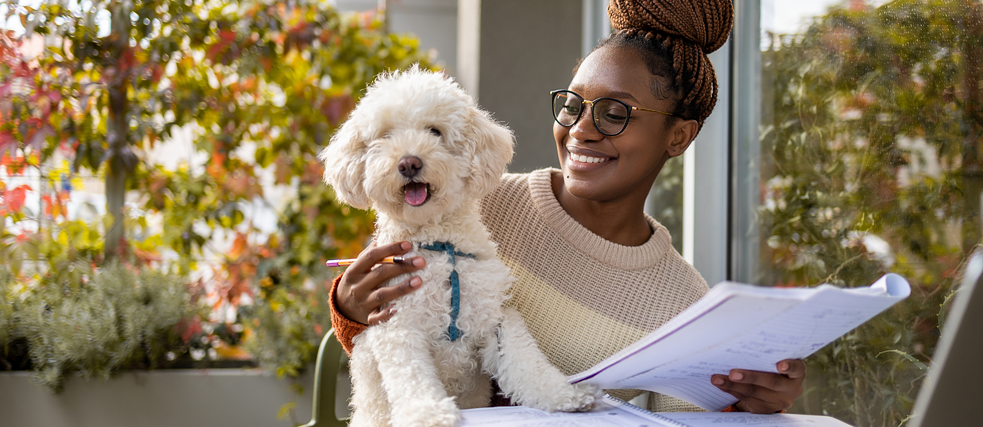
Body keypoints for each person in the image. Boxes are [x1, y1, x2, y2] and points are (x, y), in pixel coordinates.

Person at [326, 0, 805, 414]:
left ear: (679, 136)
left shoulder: (682, 301)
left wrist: (748, 401)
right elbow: (384, 334)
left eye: (615, 114)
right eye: (573, 104)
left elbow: (688, 416)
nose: (580, 129)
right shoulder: (473, 201)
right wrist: (350, 310)